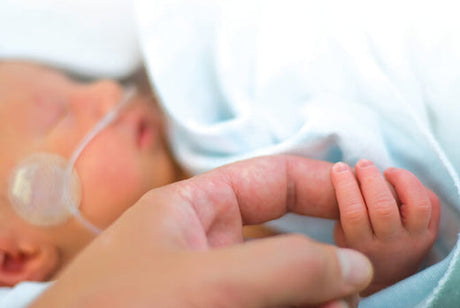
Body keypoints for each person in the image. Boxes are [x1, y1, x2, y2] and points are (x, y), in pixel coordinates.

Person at [0, 61, 439, 305]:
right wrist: (378, 272)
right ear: (16, 259)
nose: (105, 90)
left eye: (77, 80)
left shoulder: (200, 141)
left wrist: (383, 269)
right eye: (60, 115)